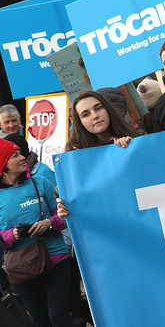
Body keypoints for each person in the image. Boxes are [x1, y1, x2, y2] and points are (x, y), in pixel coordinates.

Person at [0, 138, 73, 327]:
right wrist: (14, 234)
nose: (23, 157)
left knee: (59, 318)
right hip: (21, 269)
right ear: (3, 166)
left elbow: (64, 216)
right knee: (40, 322)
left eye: (20, 153)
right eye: (15, 155)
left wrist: (48, 223)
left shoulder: (40, 182)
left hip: (56, 259)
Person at [66, 90, 140, 151]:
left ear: (108, 109)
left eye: (98, 108)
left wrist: (130, 147)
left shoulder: (133, 136)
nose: (95, 116)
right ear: (80, 122)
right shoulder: (76, 154)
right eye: (86, 115)